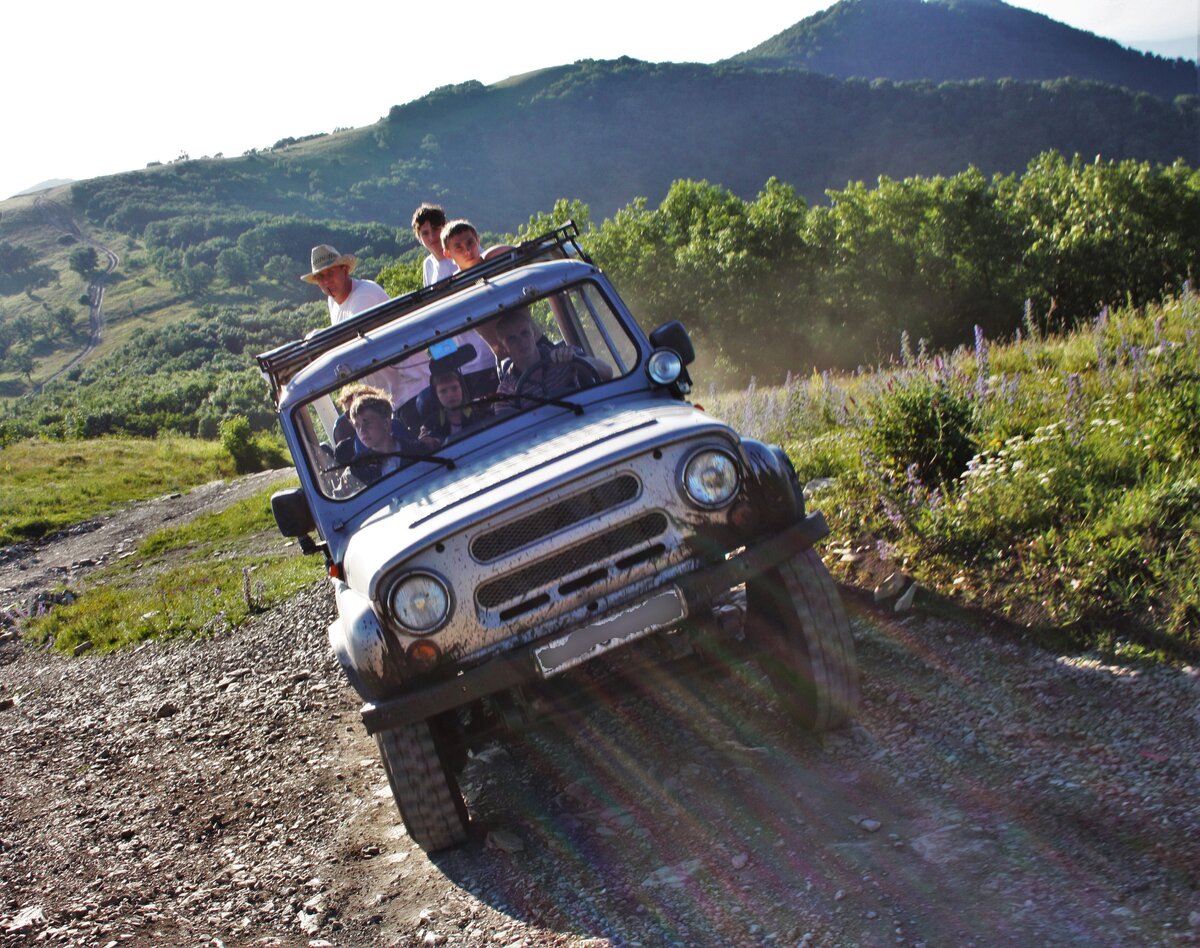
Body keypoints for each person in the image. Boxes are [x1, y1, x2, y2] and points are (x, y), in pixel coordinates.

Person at [493, 307, 611, 407]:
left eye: (525, 333)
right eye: (512, 339)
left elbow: (607, 372)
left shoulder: (564, 354)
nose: (521, 342)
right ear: (504, 348)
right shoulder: (506, 391)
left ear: (534, 334)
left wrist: (576, 361)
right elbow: (511, 430)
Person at [337, 394, 423, 485]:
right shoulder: (356, 469)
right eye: (357, 426)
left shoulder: (417, 450)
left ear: (386, 423)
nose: (362, 431)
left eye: (367, 423)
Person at [301, 244, 389, 325]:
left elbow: (354, 338)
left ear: (345, 270)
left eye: (331, 273)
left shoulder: (364, 295)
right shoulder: (332, 301)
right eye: (320, 277)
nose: (326, 281)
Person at [418, 364, 492, 443]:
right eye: (443, 391)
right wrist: (426, 440)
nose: (450, 395)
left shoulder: (479, 414)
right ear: (436, 396)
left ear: (462, 390)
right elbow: (422, 441)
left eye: (455, 388)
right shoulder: (431, 424)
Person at [413, 203, 457, 287]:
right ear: (419, 238)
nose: (431, 237)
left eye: (435, 229)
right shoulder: (428, 264)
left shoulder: (463, 251)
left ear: (445, 228)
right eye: (425, 233)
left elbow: (481, 280)